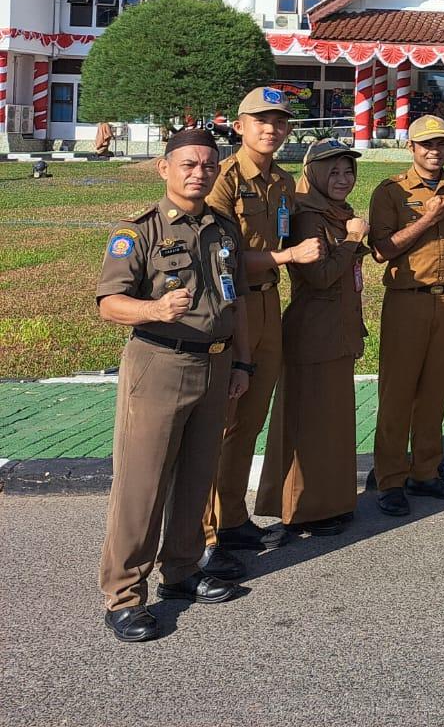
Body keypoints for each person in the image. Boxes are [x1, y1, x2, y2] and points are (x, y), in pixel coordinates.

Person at [96, 128, 249, 642]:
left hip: (215, 366)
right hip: (159, 365)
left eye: (207, 164)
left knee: (195, 478)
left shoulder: (224, 229)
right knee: (142, 486)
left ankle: (181, 571)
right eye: (187, 164)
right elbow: (109, 303)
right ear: (165, 168)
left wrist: (242, 365)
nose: (198, 172)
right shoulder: (138, 231)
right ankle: (124, 595)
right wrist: (156, 308)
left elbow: (238, 302)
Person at [202, 87, 321, 579]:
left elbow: (290, 230)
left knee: (248, 421)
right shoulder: (225, 182)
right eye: (260, 120)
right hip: (235, 306)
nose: (271, 128)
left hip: (270, 301)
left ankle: (232, 519)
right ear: (239, 124)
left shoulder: (282, 179)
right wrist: (288, 257)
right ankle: (206, 534)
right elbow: (221, 257)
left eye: (279, 121)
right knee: (221, 423)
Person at [368, 114, 444, 515]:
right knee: (398, 391)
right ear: (410, 148)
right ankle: (390, 477)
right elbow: (382, 249)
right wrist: (428, 220)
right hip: (407, 299)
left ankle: (426, 471)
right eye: (427, 145)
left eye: (442, 144)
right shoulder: (392, 192)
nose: (435, 151)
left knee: (435, 389)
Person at [256, 139, 368, 535]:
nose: (343, 179)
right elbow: (318, 276)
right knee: (308, 426)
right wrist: (354, 240)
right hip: (314, 332)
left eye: (348, 171)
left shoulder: (337, 212)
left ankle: (330, 502)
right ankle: (302, 508)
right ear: (314, 174)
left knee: (331, 425)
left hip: (337, 332)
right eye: (333, 172)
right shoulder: (307, 214)